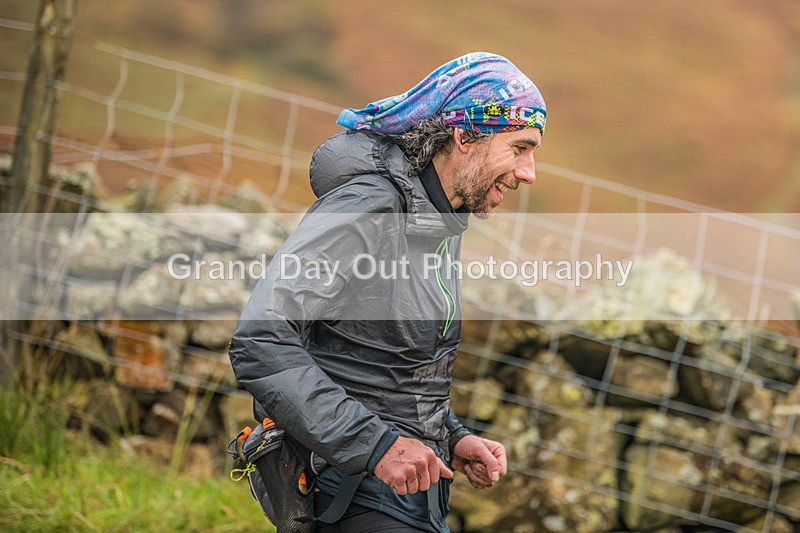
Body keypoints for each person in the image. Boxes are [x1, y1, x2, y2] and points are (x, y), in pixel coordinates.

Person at [229, 51, 546, 532]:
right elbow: (260, 340)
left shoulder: (439, 220)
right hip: (349, 490)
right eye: (519, 148)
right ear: (464, 136)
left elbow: (384, 363)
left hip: (410, 493)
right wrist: (375, 446)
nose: (529, 173)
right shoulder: (371, 206)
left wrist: (452, 436)